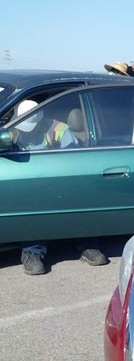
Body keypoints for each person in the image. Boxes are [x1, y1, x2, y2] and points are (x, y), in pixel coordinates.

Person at [11, 100, 108, 275]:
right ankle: (32, 251)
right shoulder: (14, 132)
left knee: (79, 199)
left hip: (60, 182)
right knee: (31, 204)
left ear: (40, 120)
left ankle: (87, 245)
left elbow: (75, 162)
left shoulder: (59, 130)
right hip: (31, 185)